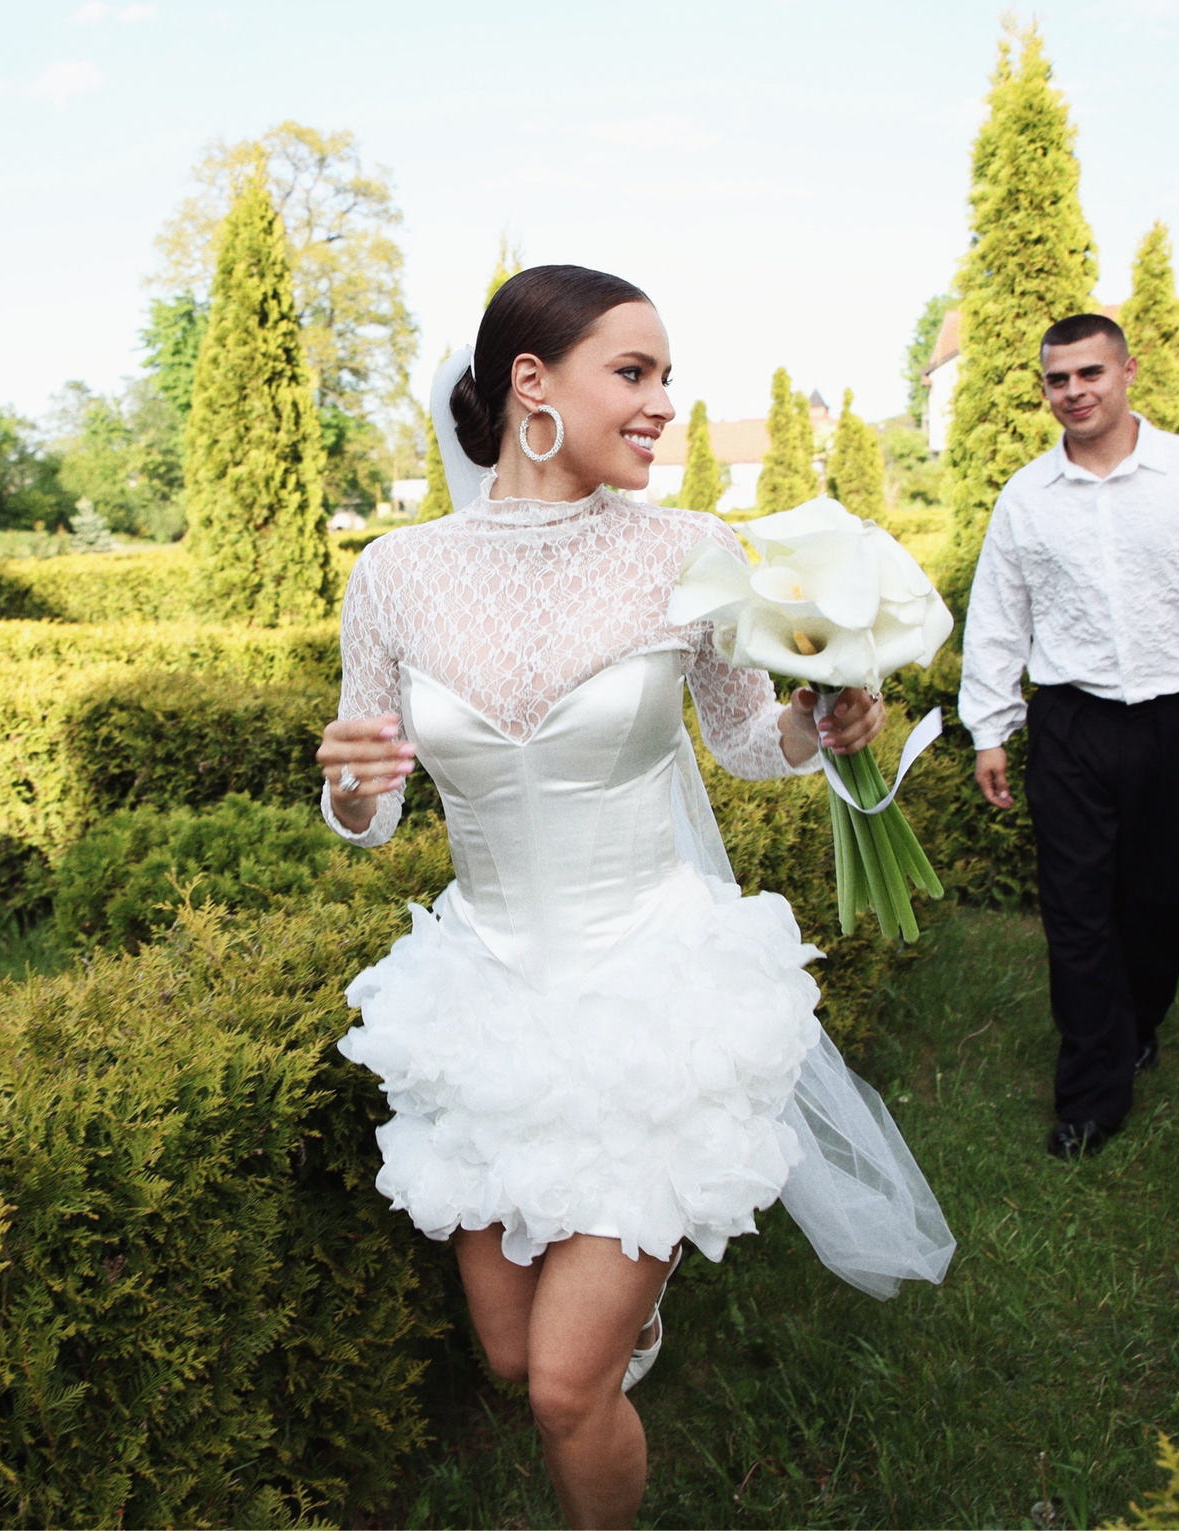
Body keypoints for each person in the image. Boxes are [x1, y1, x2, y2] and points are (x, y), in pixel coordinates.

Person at [315, 265, 954, 1530]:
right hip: (487, 997)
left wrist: (824, 719)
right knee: (510, 1358)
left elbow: (740, 741)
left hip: (656, 989)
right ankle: (633, 1304)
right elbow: (371, 810)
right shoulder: (394, 574)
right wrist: (346, 786)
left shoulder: (687, 551)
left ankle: (612, 1341)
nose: (664, 402)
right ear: (531, 386)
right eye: (636, 372)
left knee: (560, 1386)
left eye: (667, 375)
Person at [959, 312, 1179, 1162]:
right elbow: (997, 619)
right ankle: (1090, 1094)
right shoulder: (1025, 498)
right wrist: (989, 728)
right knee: (1075, 915)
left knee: (1161, 903)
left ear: (1127, 371)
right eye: (1057, 380)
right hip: (1069, 723)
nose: (1073, 392)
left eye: (1089, 374)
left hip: (1178, 722)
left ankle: (1137, 1024)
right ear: (1044, 389)